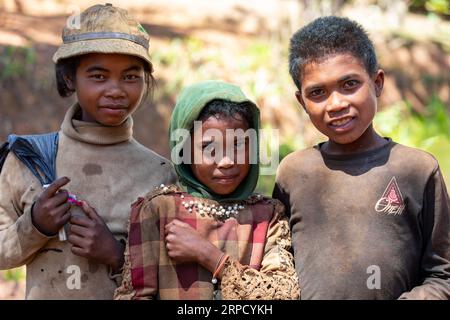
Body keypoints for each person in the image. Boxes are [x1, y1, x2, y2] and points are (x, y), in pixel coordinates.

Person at [0, 3, 176, 299]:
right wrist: (35, 225)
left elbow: (175, 277)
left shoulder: (160, 174)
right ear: (70, 78)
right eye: (98, 76)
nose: (116, 90)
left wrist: (118, 256)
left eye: (130, 77)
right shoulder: (29, 159)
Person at [273, 16, 450, 299]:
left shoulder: (417, 170)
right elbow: (278, 262)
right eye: (317, 92)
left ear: (377, 83)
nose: (337, 104)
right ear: (302, 102)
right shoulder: (293, 173)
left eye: (349, 84)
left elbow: (443, 274)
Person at [114, 80, 300, 300]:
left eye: (239, 145)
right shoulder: (157, 211)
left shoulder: (268, 216)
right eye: (208, 147)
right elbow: (135, 295)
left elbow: (283, 295)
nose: (227, 161)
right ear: (184, 150)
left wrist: (209, 255)